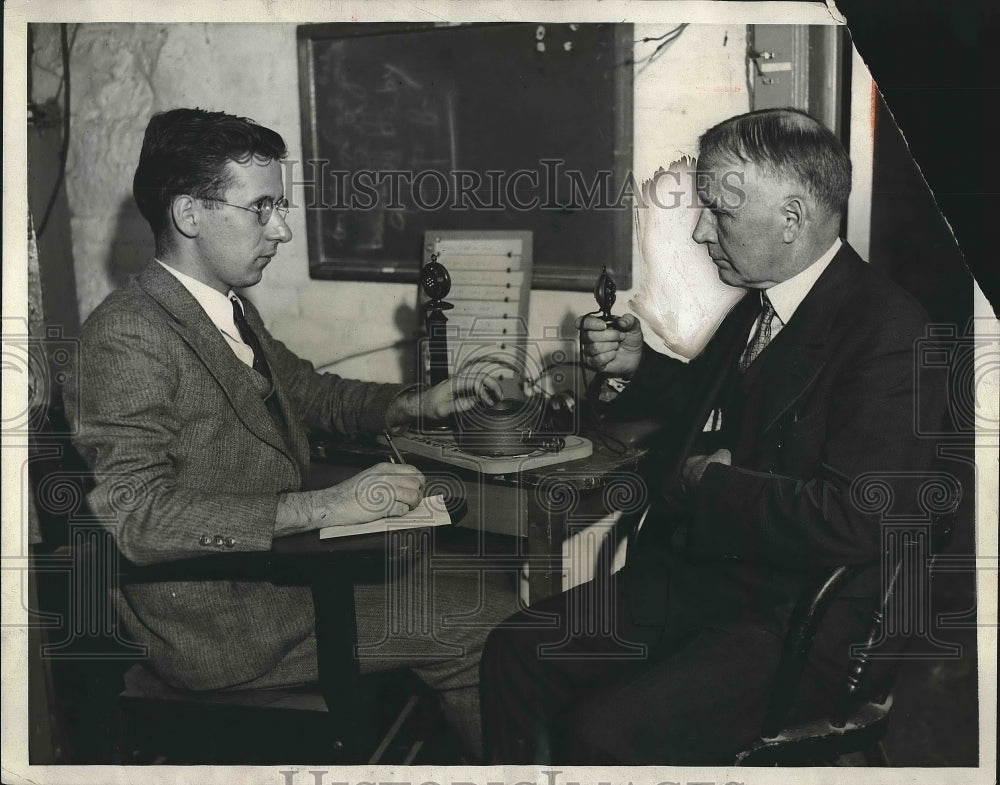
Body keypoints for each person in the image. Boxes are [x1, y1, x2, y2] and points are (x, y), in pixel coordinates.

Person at [480, 107, 948, 763]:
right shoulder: (763, 303)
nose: (701, 231)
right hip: (709, 584)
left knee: (602, 731)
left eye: (720, 213)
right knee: (516, 652)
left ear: (791, 218)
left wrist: (710, 482)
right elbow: (721, 403)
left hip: (798, 621)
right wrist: (638, 366)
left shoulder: (891, 333)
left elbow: (858, 517)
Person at [64, 107, 512, 760]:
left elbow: (312, 394)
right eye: (262, 207)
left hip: (282, 580)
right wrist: (325, 505)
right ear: (190, 214)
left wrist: (427, 399)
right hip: (225, 625)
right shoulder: (127, 335)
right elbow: (137, 516)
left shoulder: (220, 307)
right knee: (487, 625)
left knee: (478, 579)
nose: (282, 228)